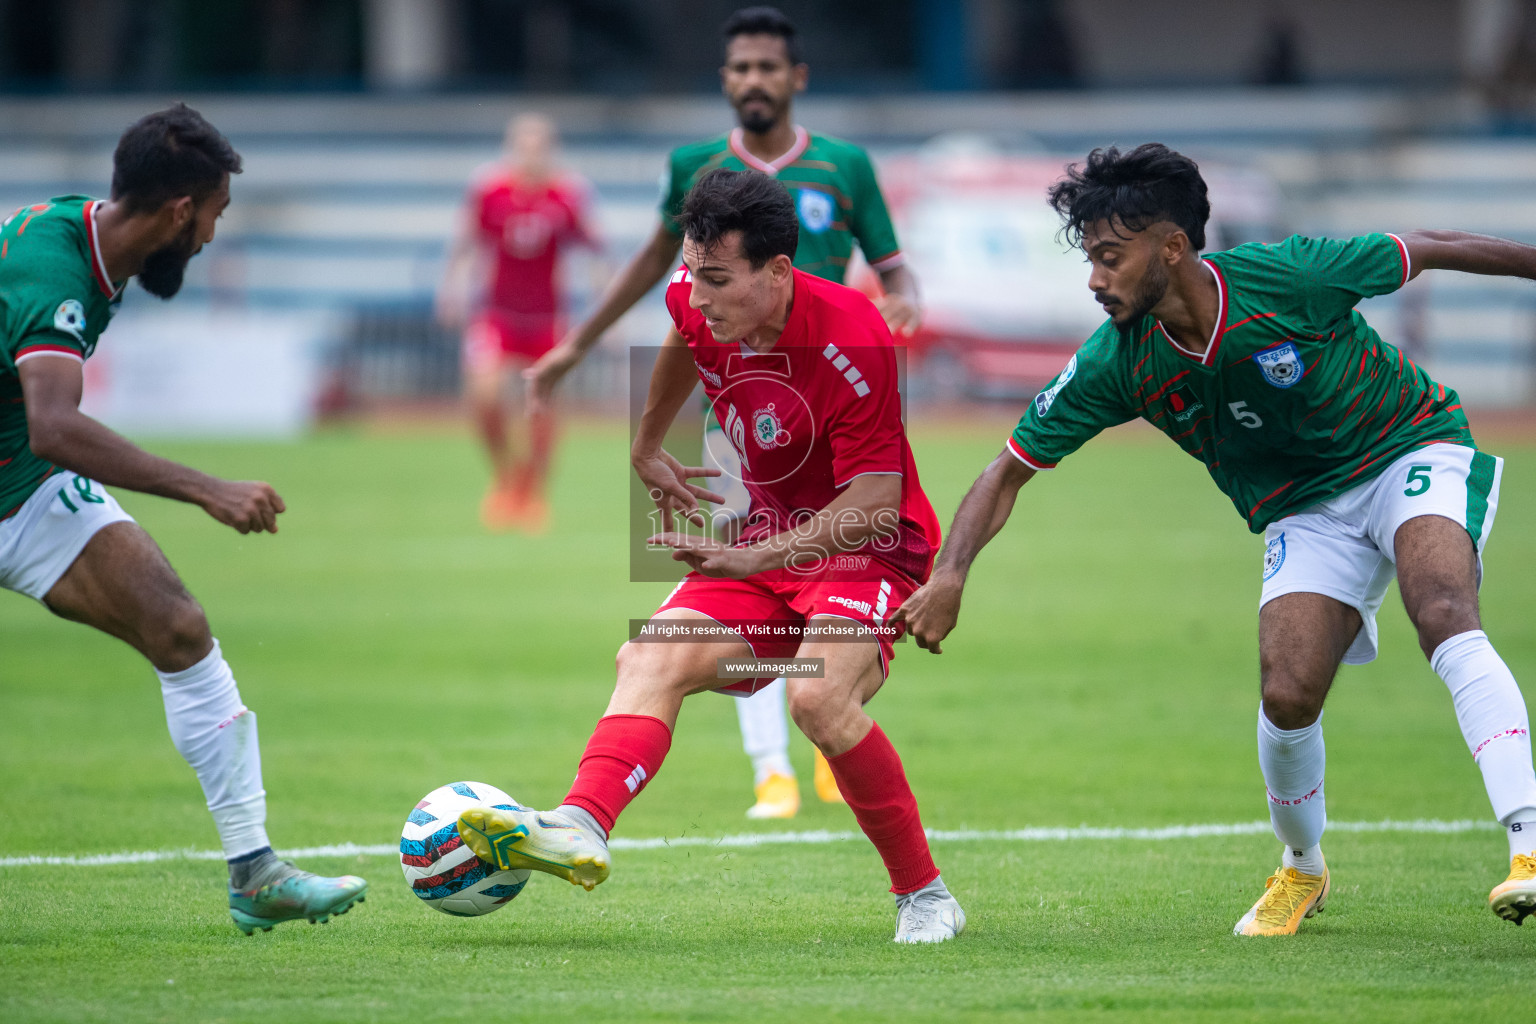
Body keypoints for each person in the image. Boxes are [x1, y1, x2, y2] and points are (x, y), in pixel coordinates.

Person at [893, 142, 1536, 936]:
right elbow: (1007, 469)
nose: (1095, 278)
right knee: (1287, 692)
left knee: (1440, 608)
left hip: (1410, 447)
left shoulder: (1291, 277)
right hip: (1305, 507)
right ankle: (1302, 868)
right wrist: (952, 574)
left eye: (1109, 257)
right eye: (1090, 258)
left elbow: (1434, 246)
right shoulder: (1117, 362)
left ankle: (1529, 843)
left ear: (1171, 247)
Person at [456, 169, 964, 944]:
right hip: (768, 542)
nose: (697, 296)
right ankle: (582, 824)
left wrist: (753, 563)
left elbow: (874, 505)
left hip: (871, 552)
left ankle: (925, 895)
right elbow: (680, 342)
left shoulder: (854, 336)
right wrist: (648, 441)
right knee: (647, 655)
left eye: (718, 280)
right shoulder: (696, 303)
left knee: (818, 701)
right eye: (692, 273)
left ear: (780, 273)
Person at [526, 5, 921, 818]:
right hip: (744, 423)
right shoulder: (693, 187)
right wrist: (632, 422)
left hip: (838, 420)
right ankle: (703, 785)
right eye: (738, 68)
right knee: (662, 638)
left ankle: (833, 723)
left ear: (794, 78)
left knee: (814, 668)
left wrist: (903, 304)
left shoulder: (845, 171)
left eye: (766, 67)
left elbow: (892, 266)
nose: (752, 80)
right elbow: (668, 291)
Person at [0, 104, 367, 934]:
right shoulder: (50, 271)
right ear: (178, 210)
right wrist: (205, 487)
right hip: (32, 458)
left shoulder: (97, 244)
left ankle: (256, 872)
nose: (209, 238)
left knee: (178, 626)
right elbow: (56, 425)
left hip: (21, 487)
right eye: (212, 217)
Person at [437, 113, 602, 532]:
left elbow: (596, 249)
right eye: (523, 146)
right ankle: (506, 475)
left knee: (542, 407)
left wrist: (606, 311)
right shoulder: (489, 189)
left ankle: (532, 493)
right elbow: (465, 239)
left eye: (539, 147)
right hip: (497, 314)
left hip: (548, 317)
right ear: (512, 148)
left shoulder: (567, 194)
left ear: (550, 150)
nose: (531, 155)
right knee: (484, 393)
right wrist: (451, 288)